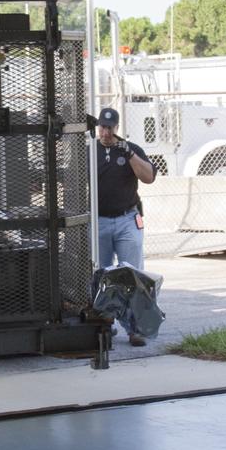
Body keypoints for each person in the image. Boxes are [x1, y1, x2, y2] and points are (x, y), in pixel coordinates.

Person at [94, 106, 157, 346]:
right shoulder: (91, 150)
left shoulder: (131, 150)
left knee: (132, 274)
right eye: (102, 127)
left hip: (127, 220)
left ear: (117, 128)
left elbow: (149, 177)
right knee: (102, 274)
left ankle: (135, 327)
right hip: (99, 220)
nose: (106, 132)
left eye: (110, 128)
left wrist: (129, 153)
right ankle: (105, 324)